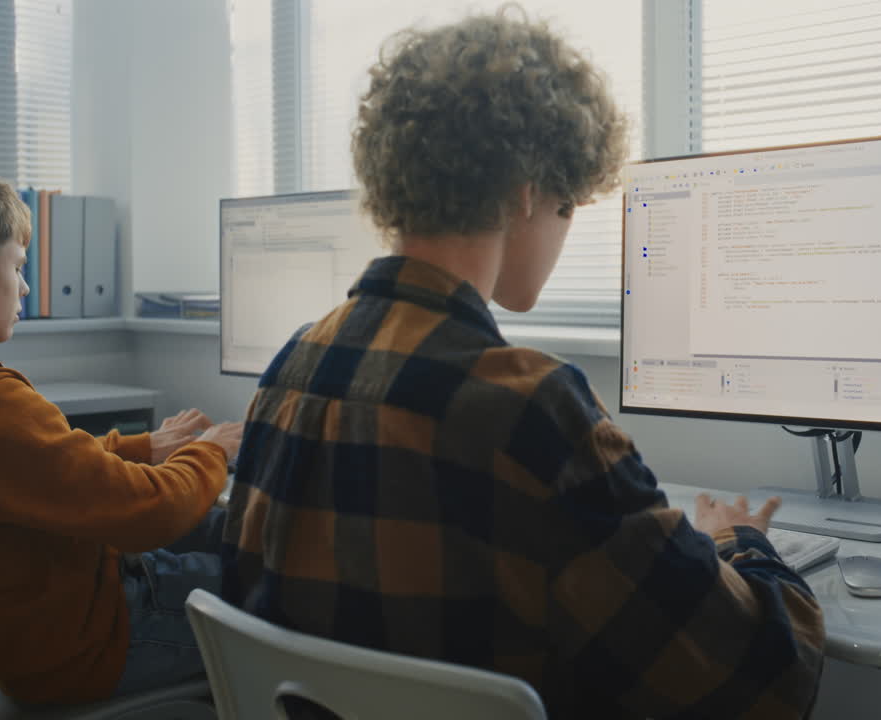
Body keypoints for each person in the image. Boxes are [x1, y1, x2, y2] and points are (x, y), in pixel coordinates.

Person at [221, 6, 824, 719]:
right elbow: (761, 683)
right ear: (526, 193)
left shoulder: (291, 367)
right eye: (571, 204)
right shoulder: (530, 409)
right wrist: (741, 541)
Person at [0, 167, 242, 705]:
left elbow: (30, 470)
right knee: (277, 579)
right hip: (95, 643)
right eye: (18, 267)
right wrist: (213, 452)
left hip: (29, 647)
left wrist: (145, 447)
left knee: (224, 530)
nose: (23, 286)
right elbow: (148, 513)